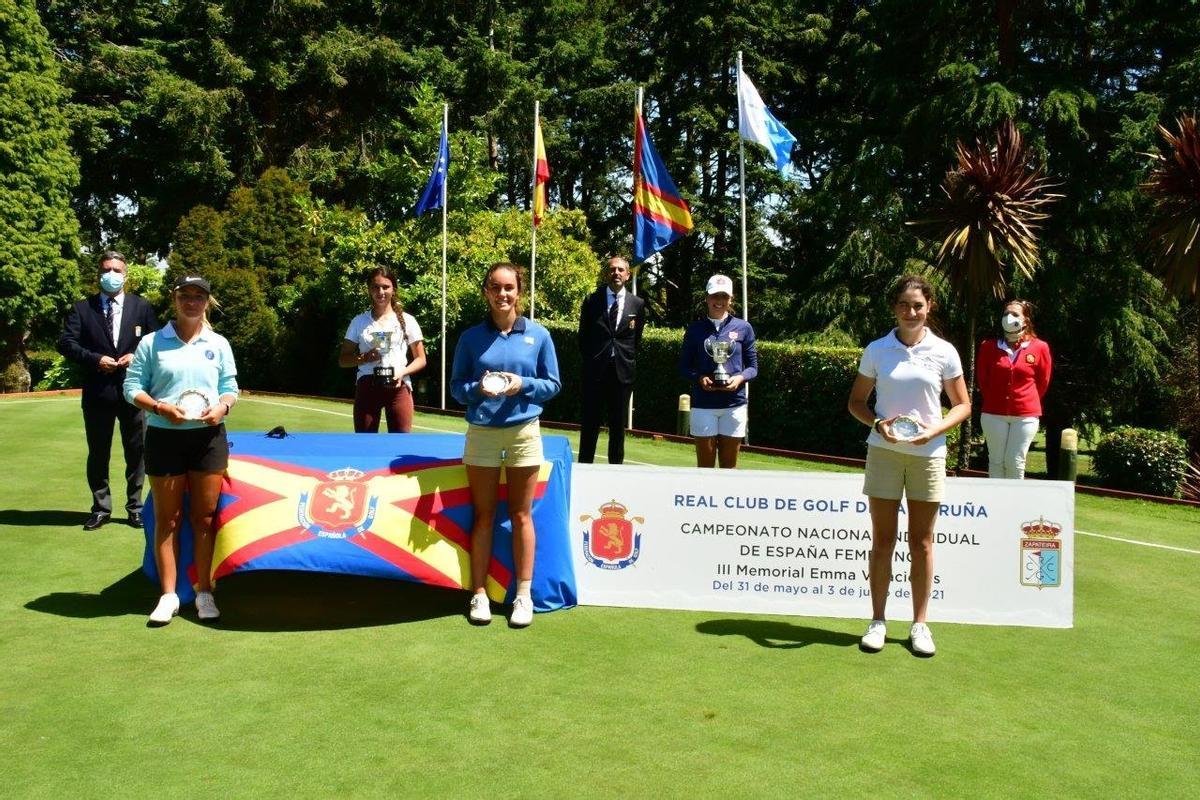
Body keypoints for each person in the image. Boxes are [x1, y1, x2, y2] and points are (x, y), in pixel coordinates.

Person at [847, 275, 971, 657]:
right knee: (883, 540)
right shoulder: (877, 349)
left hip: (929, 455)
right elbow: (856, 403)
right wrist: (877, 424)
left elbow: (963, 405)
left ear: (929, 306)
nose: (911, 311)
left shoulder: (945, 351)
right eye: (904, 304)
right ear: (894, 308)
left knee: (922, 542)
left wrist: (934, 430)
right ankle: (878, 620)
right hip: (884, 452)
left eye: (918, 305)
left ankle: (920, 624)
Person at [123, 275, 239, 626]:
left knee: (204, 519)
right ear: (175, 300)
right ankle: (169, 595)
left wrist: (223, 407)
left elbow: (230, 386)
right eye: (185, 295)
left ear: (207, 301)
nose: (191, 302)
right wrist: (160, 408)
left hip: (207, 438)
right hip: (164, 436)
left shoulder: (218, 343)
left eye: (198, 296)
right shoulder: (152, 342)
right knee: (167, 519)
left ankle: (205, 591)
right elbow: (132, 387)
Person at [451, 262, 561, 629]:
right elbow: (456, 388)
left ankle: (523, 596)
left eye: (509, 288)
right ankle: (479, 594)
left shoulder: (539, 335)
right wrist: (475, 389)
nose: (503, 294)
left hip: (524, 431)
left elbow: (552, 384)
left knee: (520, 515)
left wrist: (522, 384)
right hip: (481, 431)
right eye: (496, 288)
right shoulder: (470, 338)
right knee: (483, 516)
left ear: (520, 291)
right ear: (486, 292)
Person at [58, 251, 159, 530]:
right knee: (98, 452)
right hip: (97, 392)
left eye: (117, 269)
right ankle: (101, 508)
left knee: (137, 452)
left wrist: (135, 355)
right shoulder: (82, 308)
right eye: (106, 269)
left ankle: (135, 507)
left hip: (134, 391)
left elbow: (157, 341)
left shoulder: (142, 307)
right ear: (98, 274)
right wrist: (95, 359)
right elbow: (66, 343)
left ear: (125, 274)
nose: (111, 274)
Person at [678, 274, 758, 468]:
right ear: (706, 298)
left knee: (729, 469)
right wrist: (699, 378)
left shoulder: (744, 327)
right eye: (715, 296)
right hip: (704, 405)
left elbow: (753, 368)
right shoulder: (695, 329)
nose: (719, 301)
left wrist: (739, 378)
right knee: (704, 469)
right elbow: (683, 366)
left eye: (724, 296)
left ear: (731, 299)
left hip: (734, 404)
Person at [338, 267, 427, 433]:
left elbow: (421, 359)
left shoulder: (408, 320)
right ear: (369, 290)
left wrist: (401, 373)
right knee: (365, 446)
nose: (381, 292)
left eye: (386, 287)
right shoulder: (359, 322)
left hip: (398, 387)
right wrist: (363, 358)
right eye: (375, 287)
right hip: (367, 386)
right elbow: (343, 360)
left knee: (400, 446)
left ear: (394, 289)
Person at [577, 256, 645, 464]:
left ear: (627, 274)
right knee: (590, 423)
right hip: (595, 373)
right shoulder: (592, 300)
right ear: (607, 273)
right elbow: (583, 336)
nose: (616, 273)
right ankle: (584, 469)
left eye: (620, 270)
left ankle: (616, 471)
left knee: (618, 426)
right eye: (612, 269)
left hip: (622, 374)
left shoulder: (638, 304)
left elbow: (636, 338)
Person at [977, 299, 1052, 479]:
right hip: (993, 414)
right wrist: (997, 399)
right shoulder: (988, 347)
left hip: (1025, 415)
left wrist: (1025, 400)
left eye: (1015, 314)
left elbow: (1043, 381)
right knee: (996, 460)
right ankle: (996, 503)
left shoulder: (1040, 347)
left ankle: (1014, 503)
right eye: (1005, 314)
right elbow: (983, 380)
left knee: (1015, 461)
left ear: (1026, 320)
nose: (1009, 317)